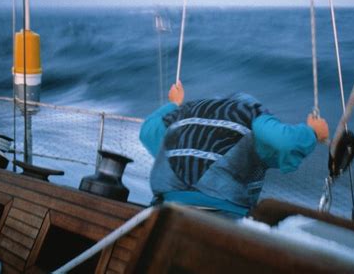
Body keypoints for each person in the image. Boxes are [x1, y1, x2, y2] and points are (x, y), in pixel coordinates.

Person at [140, 82, 329, 217]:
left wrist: (173, 103)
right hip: (223, 214)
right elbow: (284, 142)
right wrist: (312, 132)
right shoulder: (250, 113)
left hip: (165, 207)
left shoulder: (185, 111)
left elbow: (148, 131)